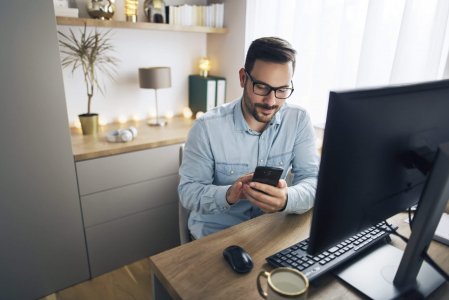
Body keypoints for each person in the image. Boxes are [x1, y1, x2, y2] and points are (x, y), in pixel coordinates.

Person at [178, 37, 320, 239]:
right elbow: (188, 193)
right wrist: (228, 195)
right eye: (262, 87)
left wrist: (287, 199)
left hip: (270, 233)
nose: (271, 101)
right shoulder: (206, 128)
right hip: (215, 237)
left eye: (281, 90)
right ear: (243, 78)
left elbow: (312, 179)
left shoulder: (299, 120)